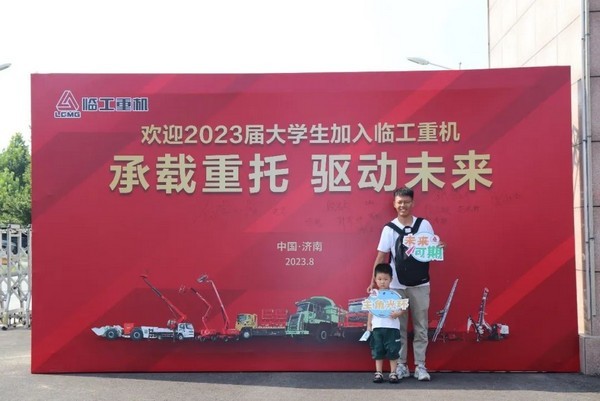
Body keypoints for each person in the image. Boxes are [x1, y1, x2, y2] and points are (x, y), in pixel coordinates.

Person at [367, 186, 444, 382]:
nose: (403, 205)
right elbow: (381, 256)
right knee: (397, 327)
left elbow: (432, 249)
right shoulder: (389, 229)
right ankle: (401, 365)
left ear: (413, 203)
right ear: (394, 204)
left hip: (421, 284)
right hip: (395, 286)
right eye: (400, 202)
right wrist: (374, 282)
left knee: (421, 325)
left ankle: (420, 366)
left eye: (407, 202)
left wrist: (438, 248)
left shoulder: (424, 225)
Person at [367, 263, 405, 384]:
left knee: (393, 350)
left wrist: (397, 313)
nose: (382, 282)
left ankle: (393, 373)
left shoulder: (395, 295)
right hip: (377, 327)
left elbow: (403, 309)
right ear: (375, 279)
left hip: (392, 328)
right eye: (379, 279)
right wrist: (369, 325)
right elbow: (370, 311)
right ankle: (379, 373)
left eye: (385, 279)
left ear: (391, 279)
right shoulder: (373, 295)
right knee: (378, 350)